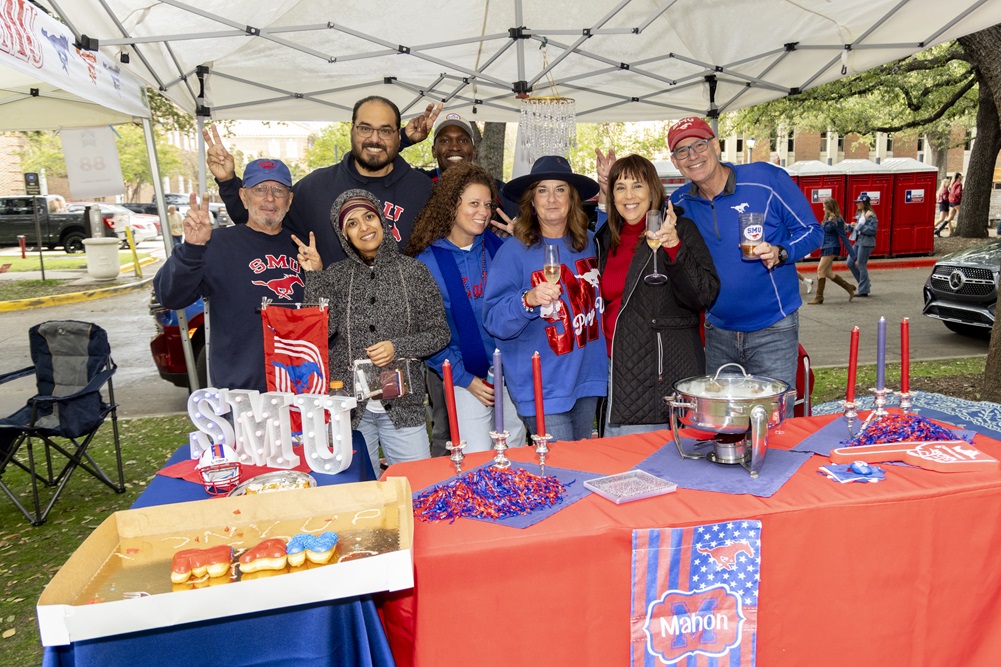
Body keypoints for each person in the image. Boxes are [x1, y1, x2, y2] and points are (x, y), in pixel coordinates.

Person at [667, 117, 823, 396]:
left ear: (715, 145)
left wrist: (781, 252)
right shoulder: (679, 203)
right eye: (682, 151)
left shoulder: (766, 179)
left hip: (774, 328)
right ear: (676, 162)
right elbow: (638, 226)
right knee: (725, 427)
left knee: (772, 424)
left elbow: (812, 231)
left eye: (699, 145)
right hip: (718, 333)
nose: (693, 156)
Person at [298, 189, 450, 472]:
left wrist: (397, 347)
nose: (364, 227)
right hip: (350, 411)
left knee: (415, 487)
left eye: (369, 216)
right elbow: (316, 335)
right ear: (345, 236)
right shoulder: (335, 275)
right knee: (356, 491)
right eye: (352, 223)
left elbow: (439, 333)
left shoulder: (414, 272)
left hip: (403, 408)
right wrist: (316, 276)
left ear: (382, 220)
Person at [205, 97, 441, 266]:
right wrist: (227, 181)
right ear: (352, 131)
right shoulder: (315, 187)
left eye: (385, 131)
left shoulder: (421, 189)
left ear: (397, 135)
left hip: (403, 332)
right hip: (332, 329)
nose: (374, 139)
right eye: (365, 129)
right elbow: (258, 221)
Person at [483, 156, 608, 442]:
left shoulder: (590, 243)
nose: (552, 199)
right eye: (542, 190)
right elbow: (493, 320)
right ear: (531, 202)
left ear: (573, 198)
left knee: (579, 468)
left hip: (586, 379)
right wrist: (527, 300)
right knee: (560, 473)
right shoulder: (514, 251)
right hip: (542, 387)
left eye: (560, 189)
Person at [594, 154, 720, 436]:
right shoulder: (607, 238)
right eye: (620, 187)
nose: (629, 196)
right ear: (611, 195)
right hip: (613, 365)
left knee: (647, 461)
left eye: (637, 186)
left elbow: (704, 294)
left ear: (653, 191)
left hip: (658, 369)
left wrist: (674, 246)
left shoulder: (680, 229)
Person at [406, 163, 527, 452]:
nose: (483, 212)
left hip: (514, 371)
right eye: (474, 203)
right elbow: (425, 333)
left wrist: (525, 244)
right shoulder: (426, 264)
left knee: (516, 452)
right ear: (451, 205)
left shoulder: (502, 248)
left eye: (487, 204)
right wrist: (464, 379)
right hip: (467, 376)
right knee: (475, 457)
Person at [153, 159, 302, 392]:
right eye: (260, 190)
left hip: (302, 389)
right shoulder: (215, 244)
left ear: (289, 199)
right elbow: (170, 296)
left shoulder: (304, 246)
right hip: (242, 395)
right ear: (243, 196)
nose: (270, 198)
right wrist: (192, 248)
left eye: (278, 190)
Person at [808, 198, 857, 304]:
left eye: (824, 206)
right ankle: (849, 287)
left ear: (830, 207)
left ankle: (819, 297)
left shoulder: (837, 220)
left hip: (832, 247)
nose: (823, 208)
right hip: (825, 247)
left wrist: (852, 253)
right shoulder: (827, 218)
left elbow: (843, 237)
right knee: (828, 273)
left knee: (820, 271)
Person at [846, 193, 877, 297]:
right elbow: (856, 229)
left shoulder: (871, 215)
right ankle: (865, 284)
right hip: (859, 241)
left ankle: (864, 289)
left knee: (861, 264)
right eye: (857, 202)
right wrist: (849, 226)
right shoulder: (860, 214)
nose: (857, 204)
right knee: (849, 262)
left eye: (859, 202)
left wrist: (858, 227)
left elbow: (872, 230)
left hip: (867, 242)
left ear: (865, 203)